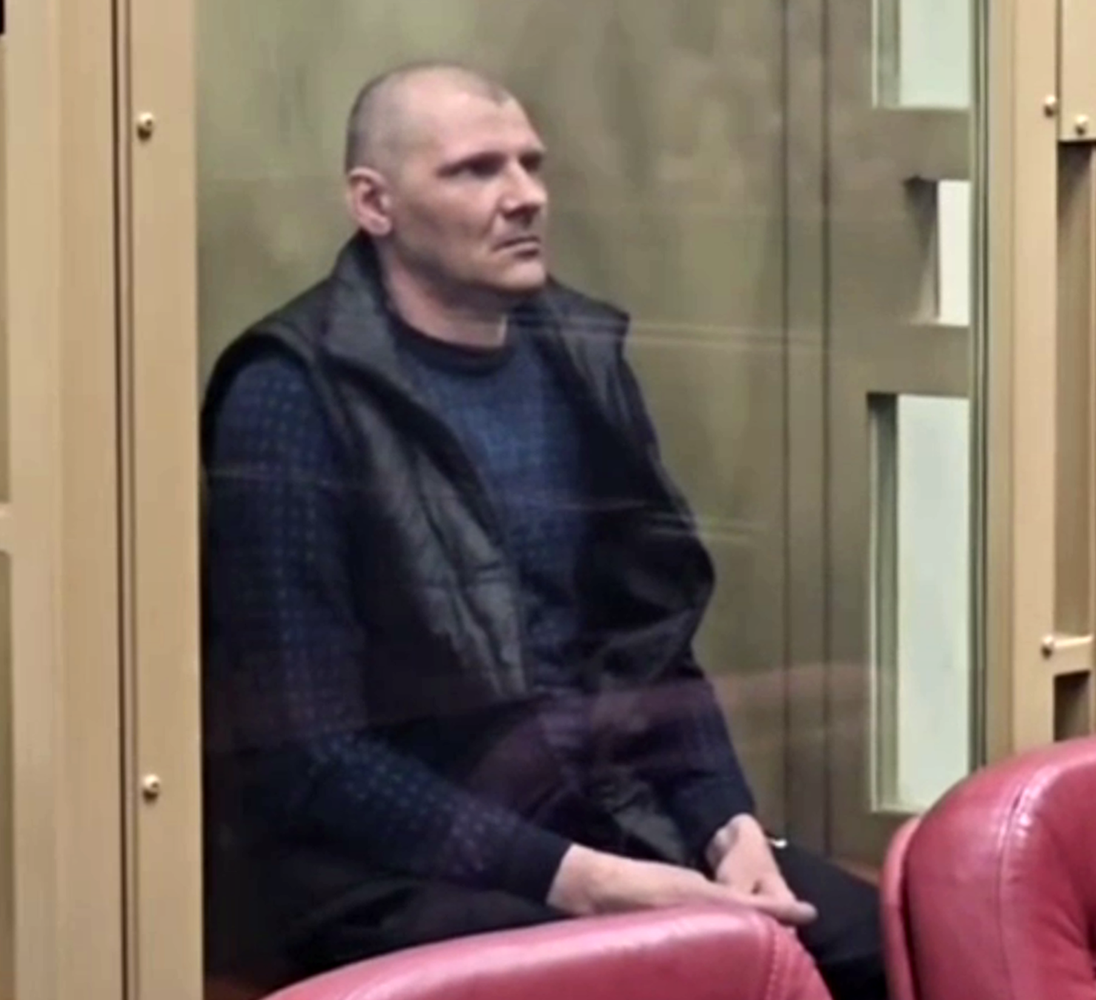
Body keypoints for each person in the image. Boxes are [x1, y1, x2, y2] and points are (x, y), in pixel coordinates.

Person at [200, 61, 886, 1000]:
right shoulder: (289, 395)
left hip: (602, 813)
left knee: (865, 942)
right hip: (395, 867)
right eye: (476, 170)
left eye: (531, 163)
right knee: (680, 976)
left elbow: (651, 650)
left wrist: (728, 827)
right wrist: (587, 882)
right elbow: (309, 759)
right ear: (374, 203)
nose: (525, 196)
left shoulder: (575, 353)